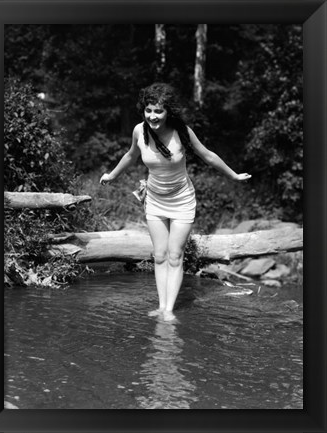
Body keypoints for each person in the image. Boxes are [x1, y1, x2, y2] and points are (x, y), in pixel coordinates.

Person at [100, 82, 251, 322]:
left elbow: (208, 155)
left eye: (158, 111)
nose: (153, 116)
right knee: (159, 255)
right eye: (149, 110)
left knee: (174, 255)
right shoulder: (139, 131)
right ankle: (161, 306)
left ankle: (169, 310)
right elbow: (130, 155)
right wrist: (112, 175)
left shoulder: (181, 131)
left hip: (182, 200)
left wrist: (233, 174)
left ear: (168, 111)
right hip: (155, 200)